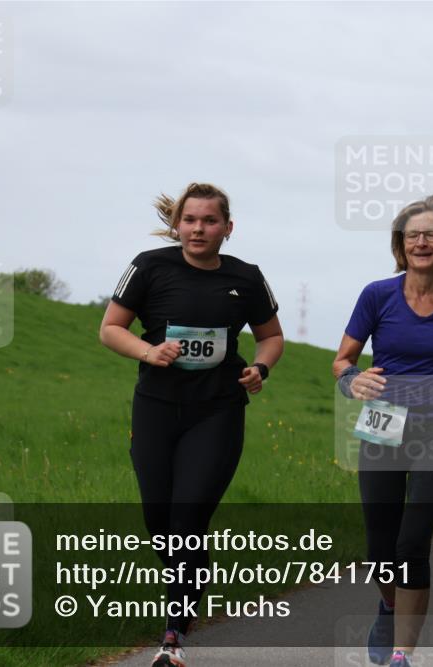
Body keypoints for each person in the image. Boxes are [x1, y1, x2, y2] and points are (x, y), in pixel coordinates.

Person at [99, 182, 284, 667]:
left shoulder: (246, 277)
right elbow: (110, 329)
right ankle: (192, 578)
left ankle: (173, 636)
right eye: (190, 220)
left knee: (188, 519)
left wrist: (260, 368)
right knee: (159, 523)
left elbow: (272, 337)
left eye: (209, 220)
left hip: (217, 411)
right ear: (177, 224)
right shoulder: (149, 266)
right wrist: (149, 351)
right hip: (156, 409)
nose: (198, 229)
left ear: (227, 227)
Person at [332, 195, 433, 667]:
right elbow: (343, 361)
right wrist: (352, 380)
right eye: (412, 235)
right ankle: (388, 605)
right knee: (380, 551)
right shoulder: (377, 295)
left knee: (412, 544)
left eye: (431, 234)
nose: (421, 242)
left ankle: (402, 653)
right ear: (401, 245)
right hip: (382, 424)